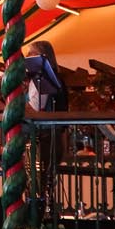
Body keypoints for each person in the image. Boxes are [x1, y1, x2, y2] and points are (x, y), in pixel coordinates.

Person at [26, 40, 68, 216]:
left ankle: (39, 216)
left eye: (32, 54)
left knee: (39, 182)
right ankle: (40, 214)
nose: (27, 57)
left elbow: (35, 110)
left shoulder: (43, 80)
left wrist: (11, 107)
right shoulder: (47, 80)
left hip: (45, 138)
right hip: (49, 137)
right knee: (40, 182)